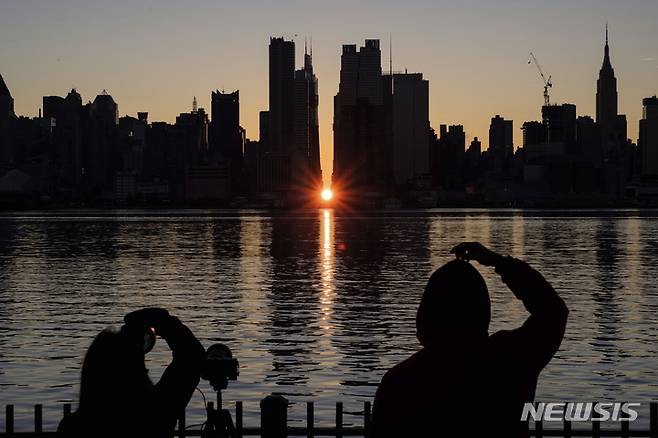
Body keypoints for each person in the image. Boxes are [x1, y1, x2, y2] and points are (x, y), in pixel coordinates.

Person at [372, 242, 569, 437]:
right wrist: (498, 262)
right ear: (483, 312)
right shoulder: (510, 358)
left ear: (426, 318)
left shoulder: (400, 381)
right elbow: (553, 311)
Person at [57, 308, 206, 438]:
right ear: (139, 373)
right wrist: (163, 321)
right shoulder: (154, 415)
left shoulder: (72, 427)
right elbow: (192, 357)